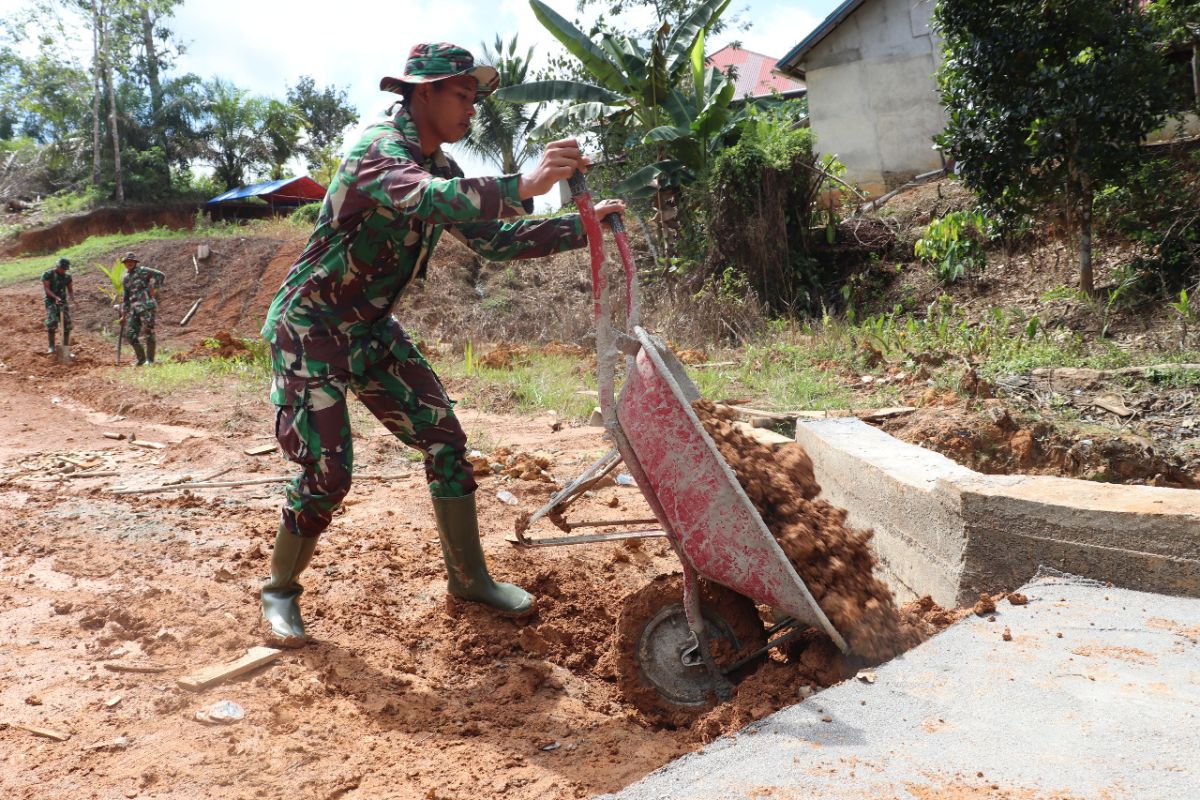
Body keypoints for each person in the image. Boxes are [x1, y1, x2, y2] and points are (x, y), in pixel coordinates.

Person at [259, 42, 625, 647]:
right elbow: (424, 199)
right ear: (421, 92)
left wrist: (582, 226)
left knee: (447, 443)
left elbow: (495, 242)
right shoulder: (376, 151)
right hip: (313, 328)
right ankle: (279, 593)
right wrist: (526, 181)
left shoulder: (445, 169)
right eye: (462, 94)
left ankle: (468, 578)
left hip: (371, 330)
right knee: (327, 472)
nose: (472, 108)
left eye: (476, 97)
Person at [119, 252, 165, 366]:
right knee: (131, 334)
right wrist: (123, 315)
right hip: (134, 309)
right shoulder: (125, 278)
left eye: (131, 261)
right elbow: (126, 298)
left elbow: (160, 275)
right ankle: (141, 360)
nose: (129, 263)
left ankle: (150, 360)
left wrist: (154, 288)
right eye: (127, 262)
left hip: (147, 306)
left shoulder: (143, 271)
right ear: (124, 264)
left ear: (135, 262)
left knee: (148, 331)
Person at [42, 257, 74, 355]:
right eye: (62, 268)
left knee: (67, 324)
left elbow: (70, 289)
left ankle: (65, 349)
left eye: (65, 269)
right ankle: (51, 347)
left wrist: (73, 298)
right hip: (51, 301)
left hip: (62, 302)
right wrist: (55, 297)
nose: (63, 270)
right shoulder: (48, 275)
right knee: (52, 322)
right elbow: (46, 289)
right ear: (57, 266)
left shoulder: (67, 277)